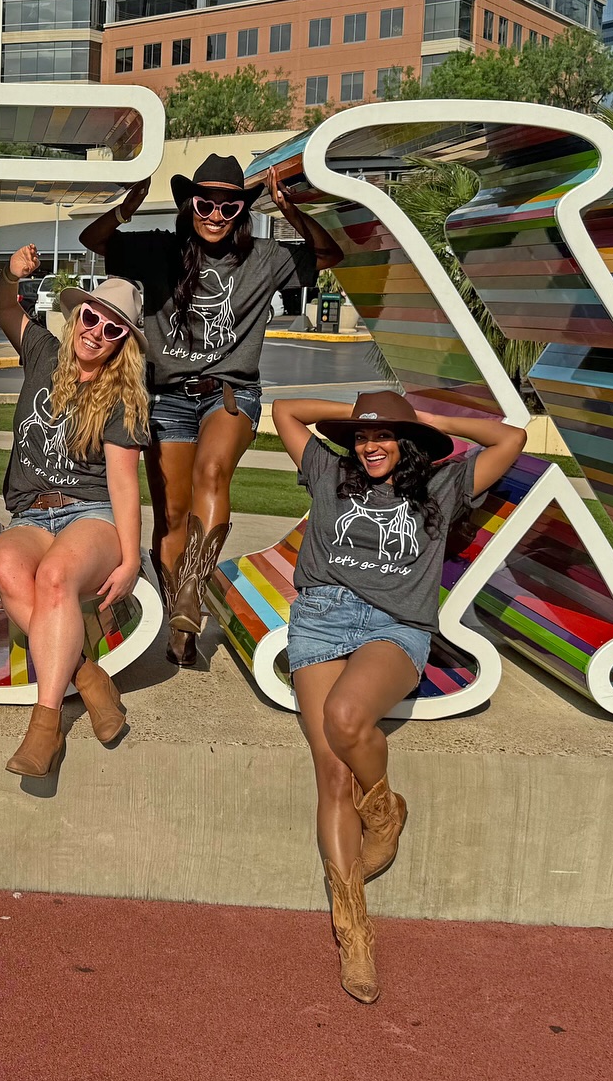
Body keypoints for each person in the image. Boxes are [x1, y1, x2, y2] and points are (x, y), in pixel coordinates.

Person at [272, 391, 525, 1004]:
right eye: (362, 436)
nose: (370, 445)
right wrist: (353, 418)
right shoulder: (329, 469)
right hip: (320, 617)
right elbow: (283, 409)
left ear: (408, 441)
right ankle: (354, 931)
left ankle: (383, 809)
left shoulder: (441, 485)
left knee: (346, 717)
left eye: (385, 436)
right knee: (331, 775)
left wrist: (428, 421)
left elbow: (510, 439)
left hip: (394, 625)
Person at [81, 154, 342, 662]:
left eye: (229, 206)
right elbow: (95, 243)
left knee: (214, 471)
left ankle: (192, 595)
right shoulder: (159, 249)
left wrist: (287, 209)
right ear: (190, 205)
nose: (216, 215)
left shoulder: (264, 257)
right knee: (173, 514)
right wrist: (124, 209)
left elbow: (329, 255)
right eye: (206, 203)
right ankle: (183, 630)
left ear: (243, 211)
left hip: (229, 391)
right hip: (166, 397)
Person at [0, 244, 149, 777]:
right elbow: (4, 307)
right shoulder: (43, 354)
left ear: (123, 343)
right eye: (91, 317)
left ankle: (46, 723)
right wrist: (10, 275)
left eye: (113, 330)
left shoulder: (122, 397)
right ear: (77, 314)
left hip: (92, 512)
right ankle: (86, 674)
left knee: (55, 576)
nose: (96, 331)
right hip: (33, 514)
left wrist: (128, 561)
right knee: (5, 565)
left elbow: (125, 484)